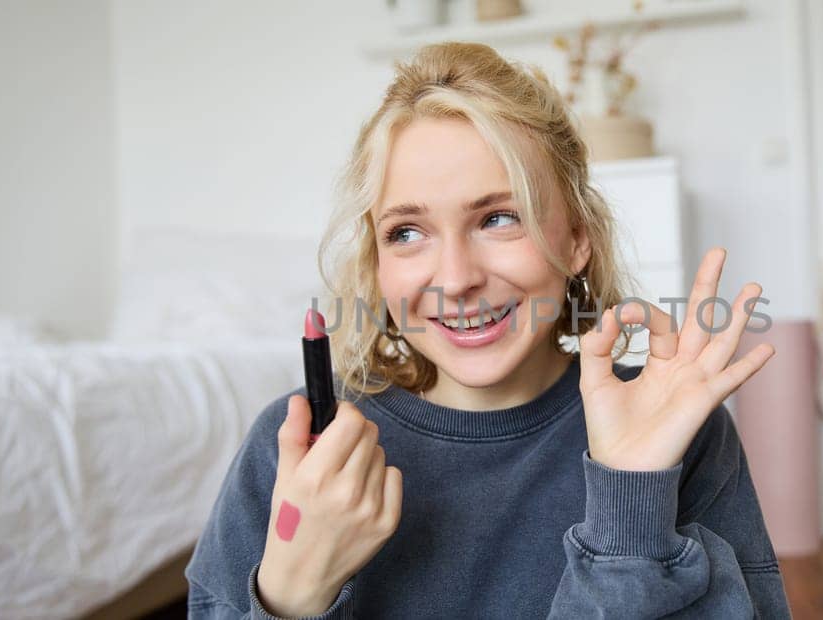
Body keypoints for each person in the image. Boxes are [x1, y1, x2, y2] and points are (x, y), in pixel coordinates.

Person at [185, 41, 789, 618]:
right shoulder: (297, 447)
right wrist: (292, 595)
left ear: (577, 238)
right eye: (407, 232)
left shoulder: (673, 429)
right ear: (376, 260)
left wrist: (630, 498)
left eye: (499, 218)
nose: (455, 278)